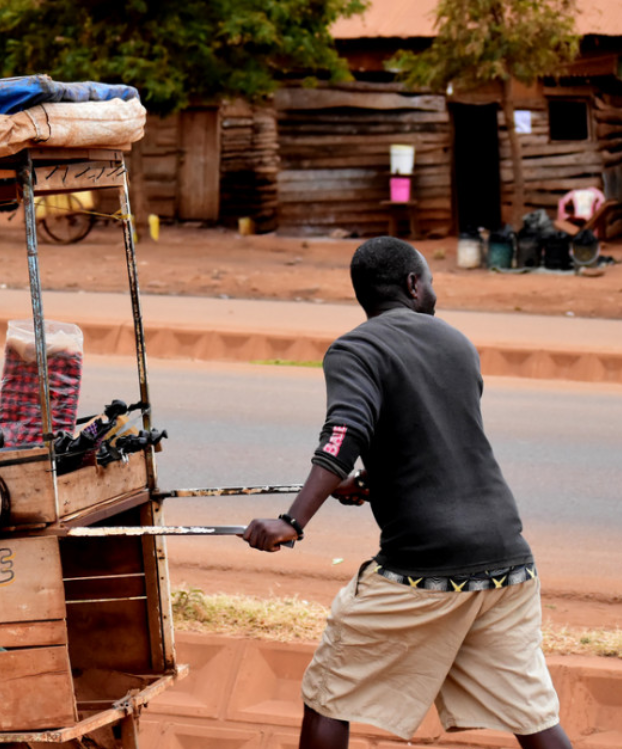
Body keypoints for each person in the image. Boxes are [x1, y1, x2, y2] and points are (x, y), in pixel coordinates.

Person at [244, 237, 573, 749]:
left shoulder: (357, 348)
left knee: (330, 694)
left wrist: (293, 520)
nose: (434, 290)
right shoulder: (456, 343)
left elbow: (343, 433)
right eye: (431, 280)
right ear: (413, 285)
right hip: (508, 560)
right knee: (533, 716)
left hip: (427, 566)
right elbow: (434, 440)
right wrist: (375, 485)